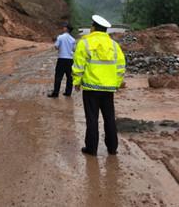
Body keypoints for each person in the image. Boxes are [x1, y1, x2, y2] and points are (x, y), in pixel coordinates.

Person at [72, 15, 126, 156]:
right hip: (108, 89)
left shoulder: (85, 43)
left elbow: (78, 65)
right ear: (105, 30)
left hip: (91, 88)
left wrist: (76, 81)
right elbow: (121, 67)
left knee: (92, 118)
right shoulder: (114, 45)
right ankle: (112, 148)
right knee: (109, 118)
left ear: (93, 28)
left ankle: (91, 148)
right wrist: (117, 83)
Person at [48, 23, 76, 98]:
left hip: (61, 59)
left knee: (58, 76)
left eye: (64, 27)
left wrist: (61, 48)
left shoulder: (60, 37)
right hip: (70, 59)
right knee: (69, 77)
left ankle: (56, 93)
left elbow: (56, 46)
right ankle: (68, 92)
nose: (63, 28)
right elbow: (74, 49)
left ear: (66, 29)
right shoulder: (73, 39)